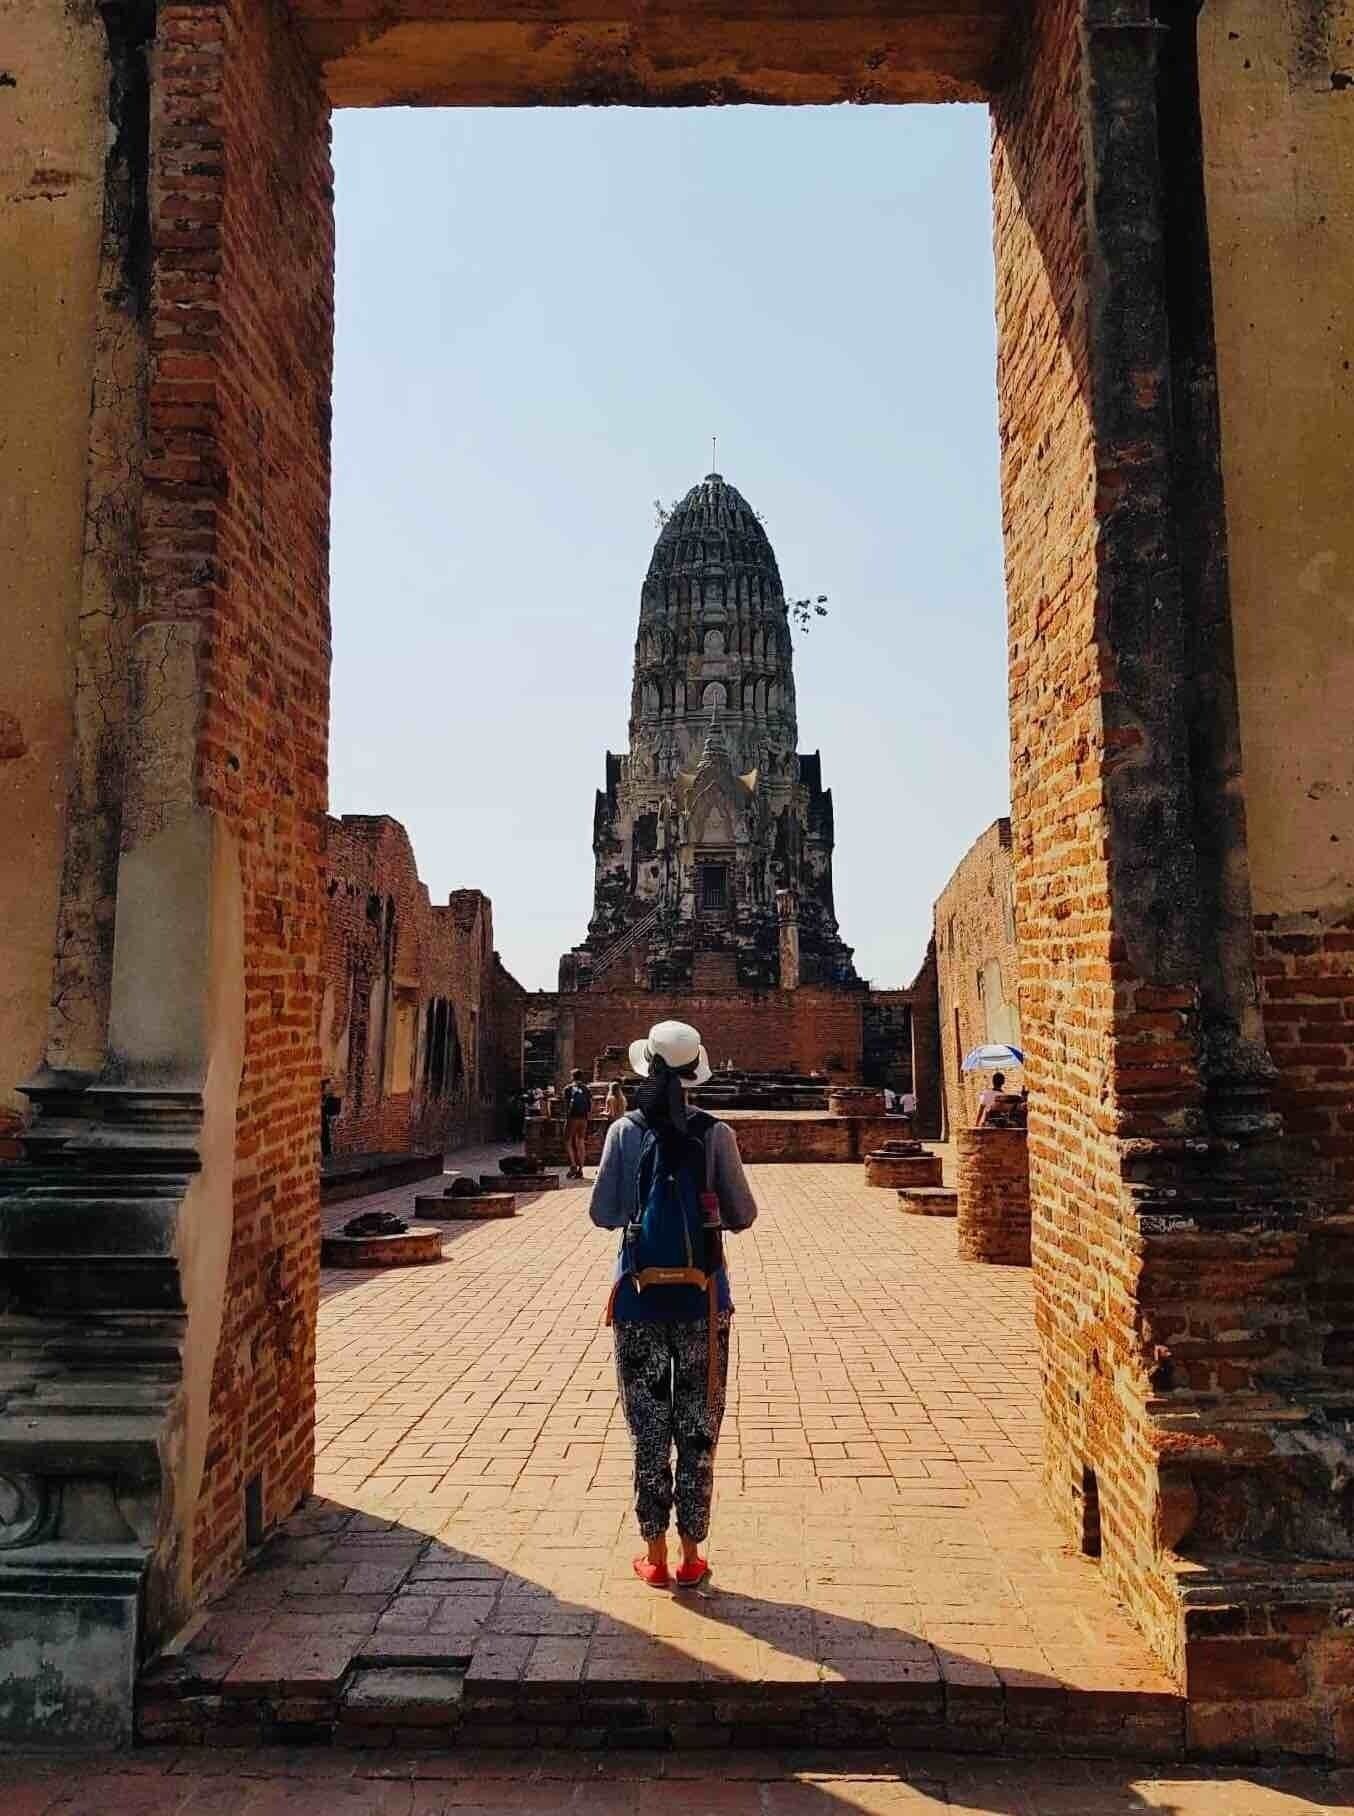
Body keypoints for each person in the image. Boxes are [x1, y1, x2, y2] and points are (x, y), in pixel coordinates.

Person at [590, 1020, 757, 1589]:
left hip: (637, 1299)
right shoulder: (716, 1135)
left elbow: (604, 1214)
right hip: (704, 1301)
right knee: (698, 1425)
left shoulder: (622, 1132)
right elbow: (743, 1216)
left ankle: (654, 1555)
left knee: (647, 1426)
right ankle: (692, 1554)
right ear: (696, 1072)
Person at [562, 1068, 592, 1179]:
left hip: (572, 1117)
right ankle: (581, 1169)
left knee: (567, 1140)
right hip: (583, 1117)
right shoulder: (586, 1089)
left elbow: (565, 1105)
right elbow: (590, 1105)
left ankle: (573, 1165)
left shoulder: (568, 1088)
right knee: (580, 1141)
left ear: (572, 1077)